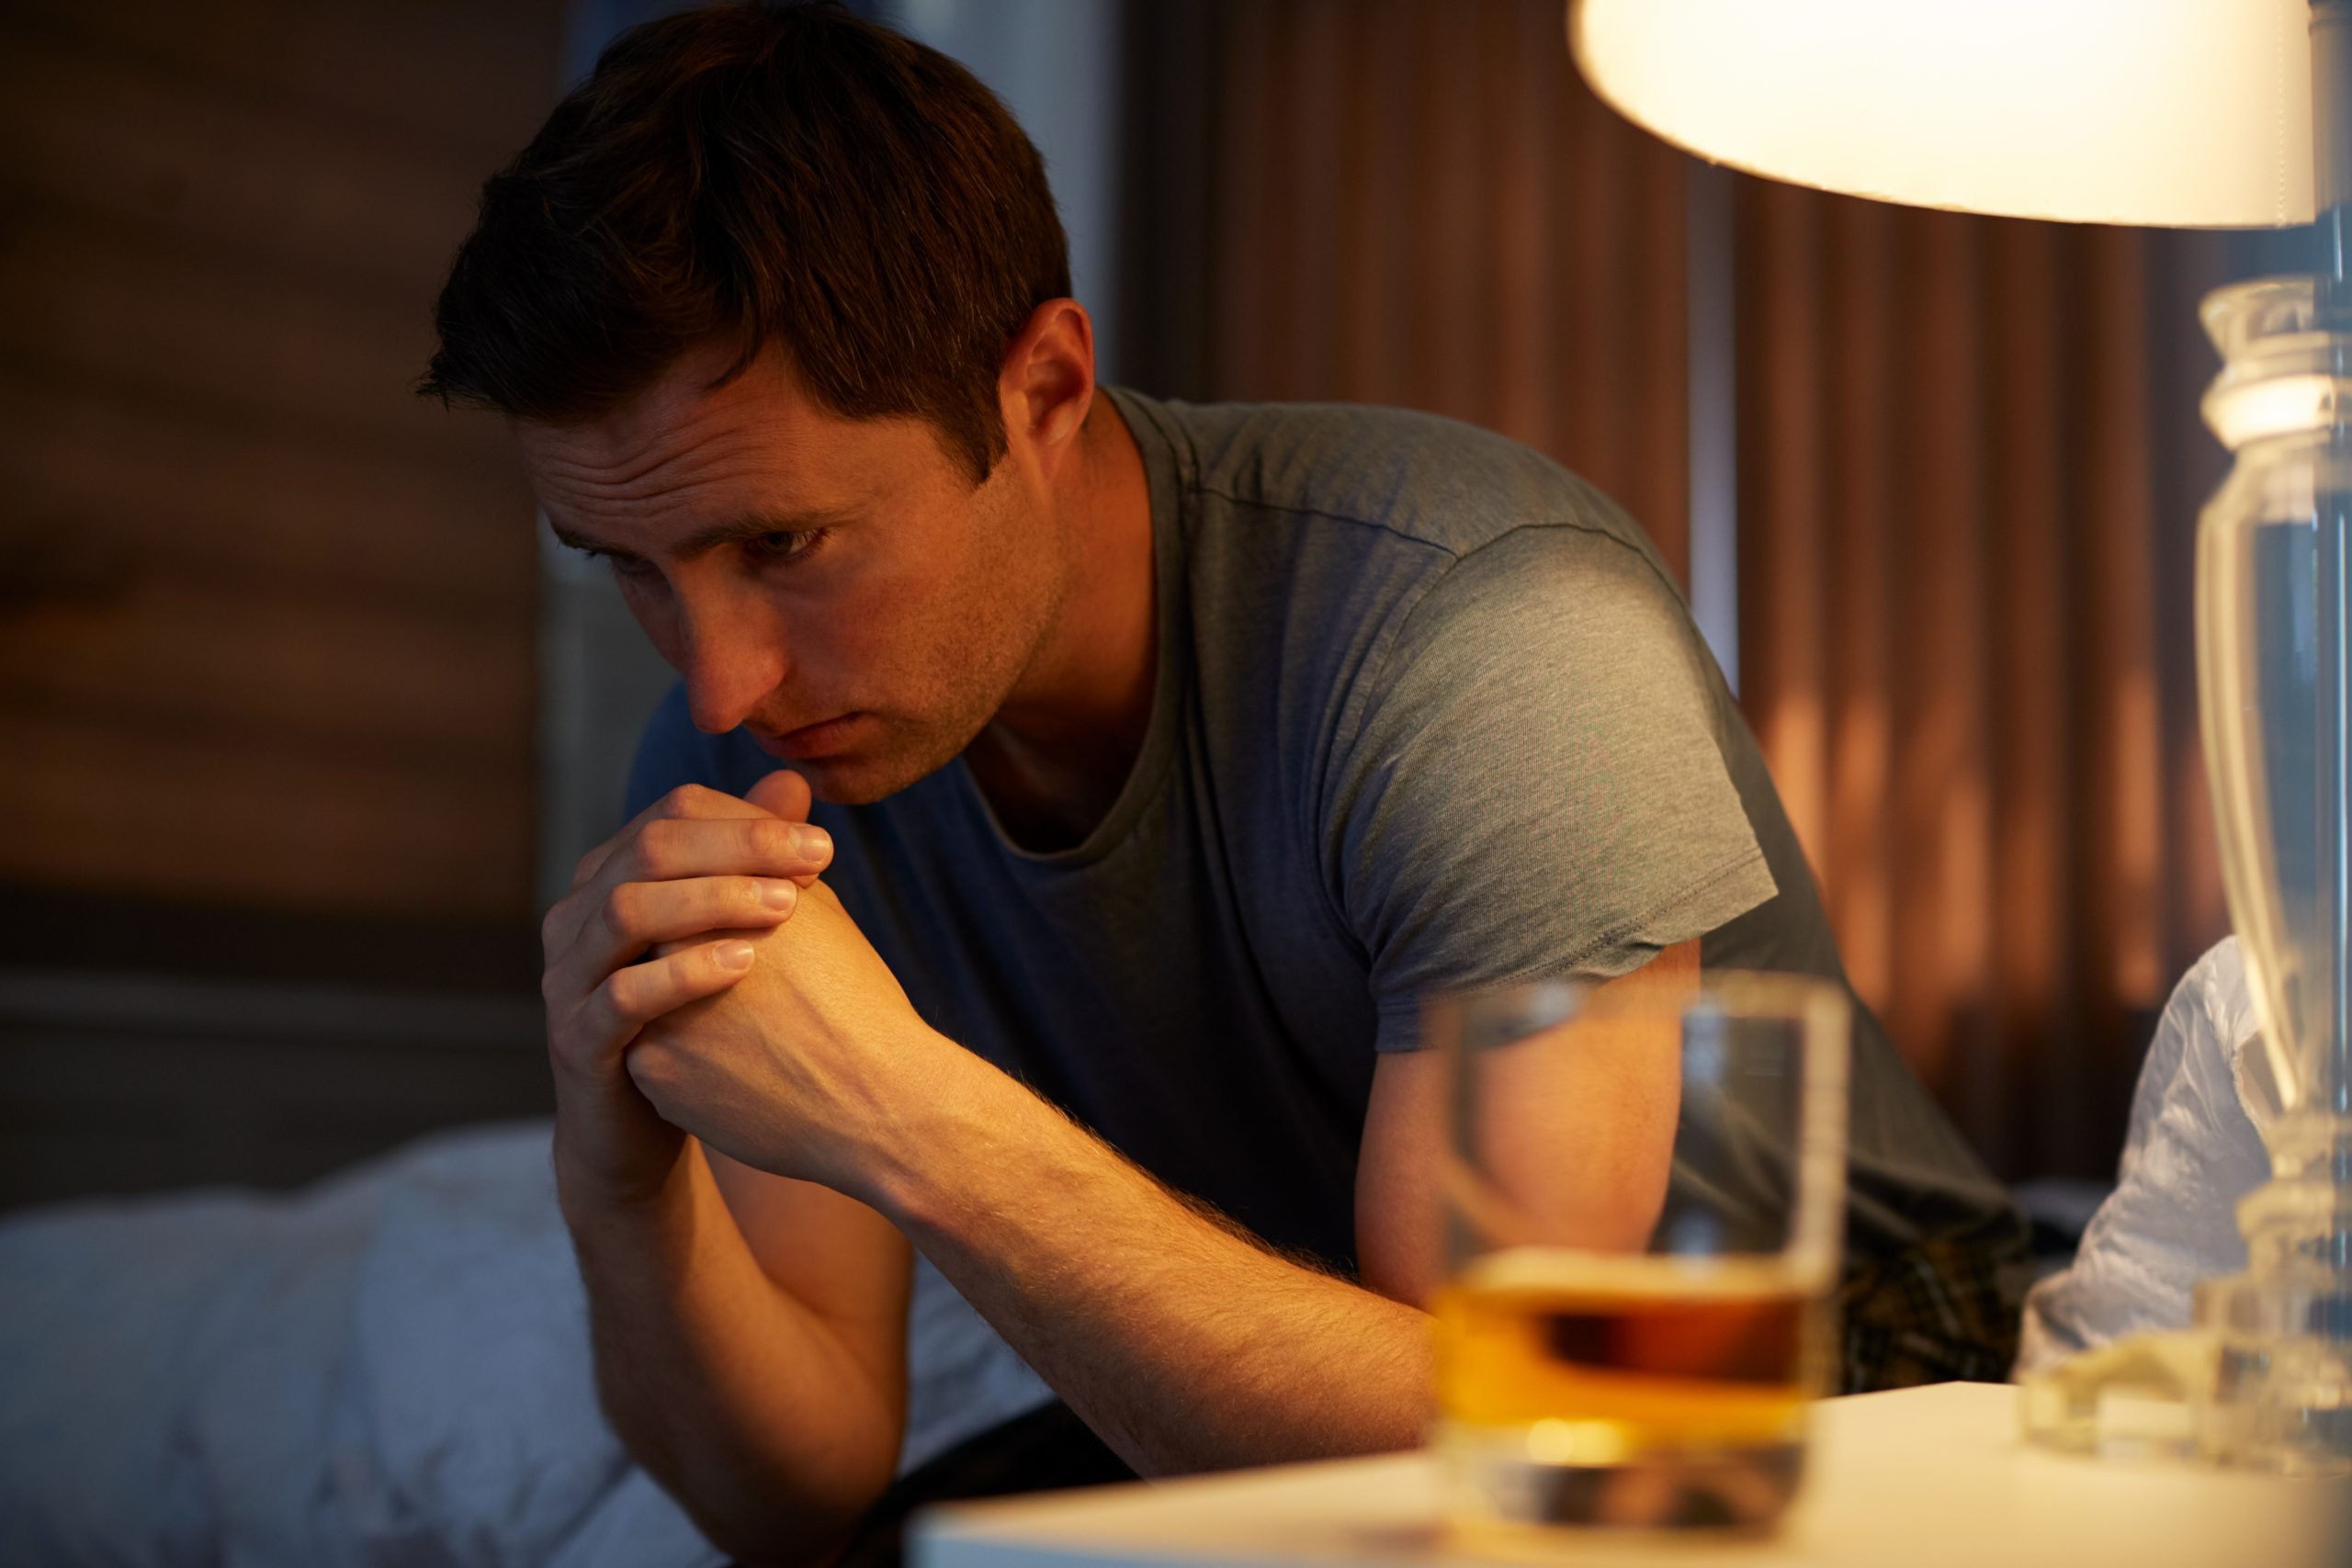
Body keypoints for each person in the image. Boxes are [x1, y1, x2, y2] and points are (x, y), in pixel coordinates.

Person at [421, 4, 2030, 1561]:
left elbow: (1525, 1440)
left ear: (1042, 390)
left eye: (783, 545)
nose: (716, 682)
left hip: (1828, 1351)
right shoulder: (744, 756)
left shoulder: (1487, 626)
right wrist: (613, 1166)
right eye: (627, 566)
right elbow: (797, 1487)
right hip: (1344, 1380)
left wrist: (908, 1115)